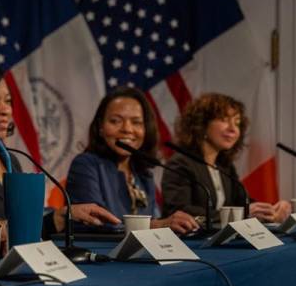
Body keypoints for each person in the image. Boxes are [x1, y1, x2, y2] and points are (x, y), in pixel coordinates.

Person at [0, 59, 120, 234]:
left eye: (7, 101)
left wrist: (60, 217)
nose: (5, 110)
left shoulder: (9, 158)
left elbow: (23, 228)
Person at [66, 86, 199, 234]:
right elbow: (94, 223)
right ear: (100, 128)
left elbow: (154, 222)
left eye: (136, 122)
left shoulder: (143, 173)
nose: (127, 129)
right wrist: (157, 225)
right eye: (115, 121)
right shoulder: (85, 164)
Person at [162, 93, 291, 223]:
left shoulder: (224, 166)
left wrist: (271, 210)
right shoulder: (180, 163)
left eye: (237, 122)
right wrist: (242, 214)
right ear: (202, 124)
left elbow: (244, 203)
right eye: (224, 119)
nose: (233, 129)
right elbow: (180, 212)